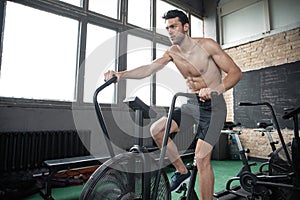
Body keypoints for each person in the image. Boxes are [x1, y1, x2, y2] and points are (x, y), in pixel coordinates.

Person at [104, 9, 242, 200]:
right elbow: (149, 68)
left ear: (185, 27)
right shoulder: (173, 53)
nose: (170, 31)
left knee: (201, 159)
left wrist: (215, 89)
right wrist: (121, 74)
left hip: (213, 107)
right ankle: (182, 170)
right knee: (157, 130)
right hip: (191, 103)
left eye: (174, 26)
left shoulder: (207, 46)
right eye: (167, 27)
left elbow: (235, 72)